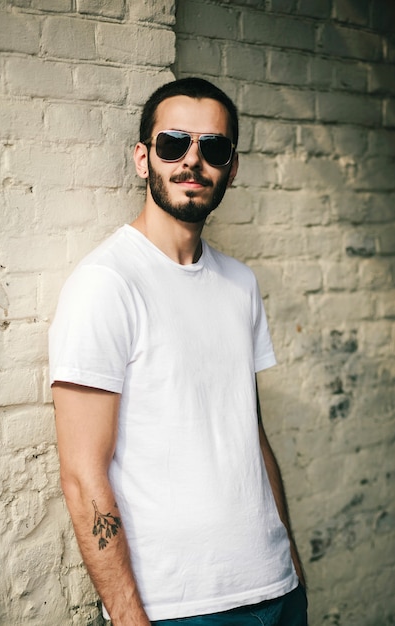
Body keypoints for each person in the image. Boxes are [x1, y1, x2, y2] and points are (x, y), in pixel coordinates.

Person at [49, 77, 307, 626]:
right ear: (144, 158)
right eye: (173, 144)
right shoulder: (107, 282)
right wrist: (127, 616)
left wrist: (292, 563)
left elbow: (250, 435)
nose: (192, 161)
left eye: (212, 148)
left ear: (231, 168)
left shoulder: (240, 283)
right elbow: (81, 473)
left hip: (276, 590)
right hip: (180, 607)